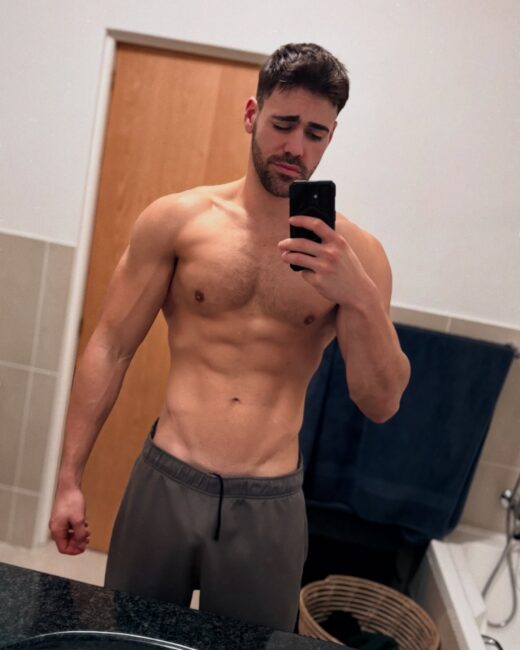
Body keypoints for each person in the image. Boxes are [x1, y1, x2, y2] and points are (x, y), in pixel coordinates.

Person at [49, 43, 410, 632]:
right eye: (283, 124)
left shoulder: (357, 257)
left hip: (269, 502)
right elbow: (110, 346)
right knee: (130, 638)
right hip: (167, 478)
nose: (296, 147)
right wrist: (70, 479)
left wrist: (360, 296)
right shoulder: (178, 221)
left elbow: (381, 402)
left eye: (315, 133)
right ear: (251, 115)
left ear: (331, 138)